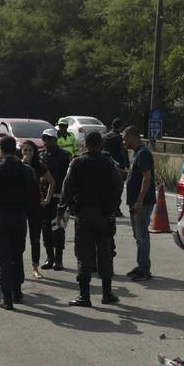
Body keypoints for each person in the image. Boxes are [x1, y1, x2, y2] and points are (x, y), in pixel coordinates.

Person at [61, 131, 122, 307]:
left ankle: (84, 295)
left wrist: (64, 208)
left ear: (85, 144)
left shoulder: (77, 162)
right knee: (105, 253)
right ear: (101, 144)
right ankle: (107, 293)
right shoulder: (108, 163)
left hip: (84, 214)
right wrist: (112, 206)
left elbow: (67, 187)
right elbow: (118, 186)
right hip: (104, 215)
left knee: (83, 255)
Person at [0, 136, 38, 310]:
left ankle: (7, 298)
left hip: (1, 218)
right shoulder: (27, 170)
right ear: (16, 150)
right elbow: (34, 194)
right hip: (20, 217)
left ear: (1, 150)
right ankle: (17, 292)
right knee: (17, 254)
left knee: (4, 257)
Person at [123, 126, 156, 281]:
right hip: (135, 202)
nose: (124, 141)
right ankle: (141, 264)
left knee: (142, 235)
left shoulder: (143, 153)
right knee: (138, 235)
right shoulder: (137, 153)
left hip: (142, 203)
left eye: (125, 138)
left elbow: (147, 178)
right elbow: (136, 174)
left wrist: (139, 201)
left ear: (133, 137)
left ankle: (145, 270)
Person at [20, 141, 55, 279]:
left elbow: (52, 182)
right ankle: (18, 267)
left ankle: (35, 267)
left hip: (35, 206)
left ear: (34, 152)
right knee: (19, 238)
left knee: (35, 239)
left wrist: (47, 199)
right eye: (25, 150)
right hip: (21, 206)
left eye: (30, 150)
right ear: (21, 151)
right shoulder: (17, 165)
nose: (28, 153)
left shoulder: (38, 166)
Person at [40, 128, 72, 270]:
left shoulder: (65, 156)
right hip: (44, 198)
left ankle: (59, 260)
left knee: (58, 229)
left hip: (60, 198)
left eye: (48, 139)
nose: (46, 141)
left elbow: (70, 179)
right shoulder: (41, 156)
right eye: (44, 138)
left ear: (55, 139)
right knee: (46, 228)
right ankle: (49, 257)